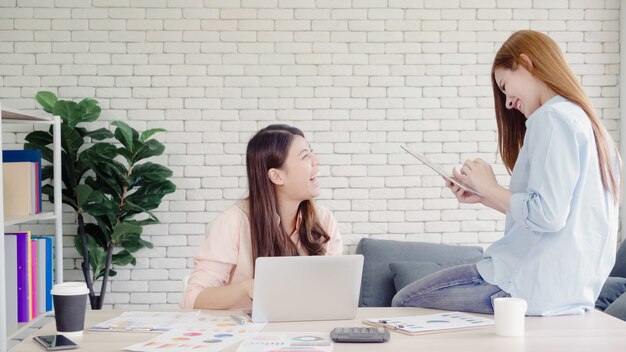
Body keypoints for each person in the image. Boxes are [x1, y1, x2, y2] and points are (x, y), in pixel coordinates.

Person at [392, 30, 621, 316]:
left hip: (523, 284)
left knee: (403, 303)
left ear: (526, 63)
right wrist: (485, 196)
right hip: (569, 293)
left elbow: (548, 215)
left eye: (505, 86)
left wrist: (490, 188)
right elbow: (559, 213)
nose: (508, 102)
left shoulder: (552, 118)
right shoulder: (590, 126)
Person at [181, 124, 343, 310]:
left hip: (306, 330)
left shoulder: (324, 221)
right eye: (305, 156)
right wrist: (247, 288)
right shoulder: (232, 222)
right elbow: (192, 299)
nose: (316, 160)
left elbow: (335, 291)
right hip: (245, 333)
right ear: (276, 176)